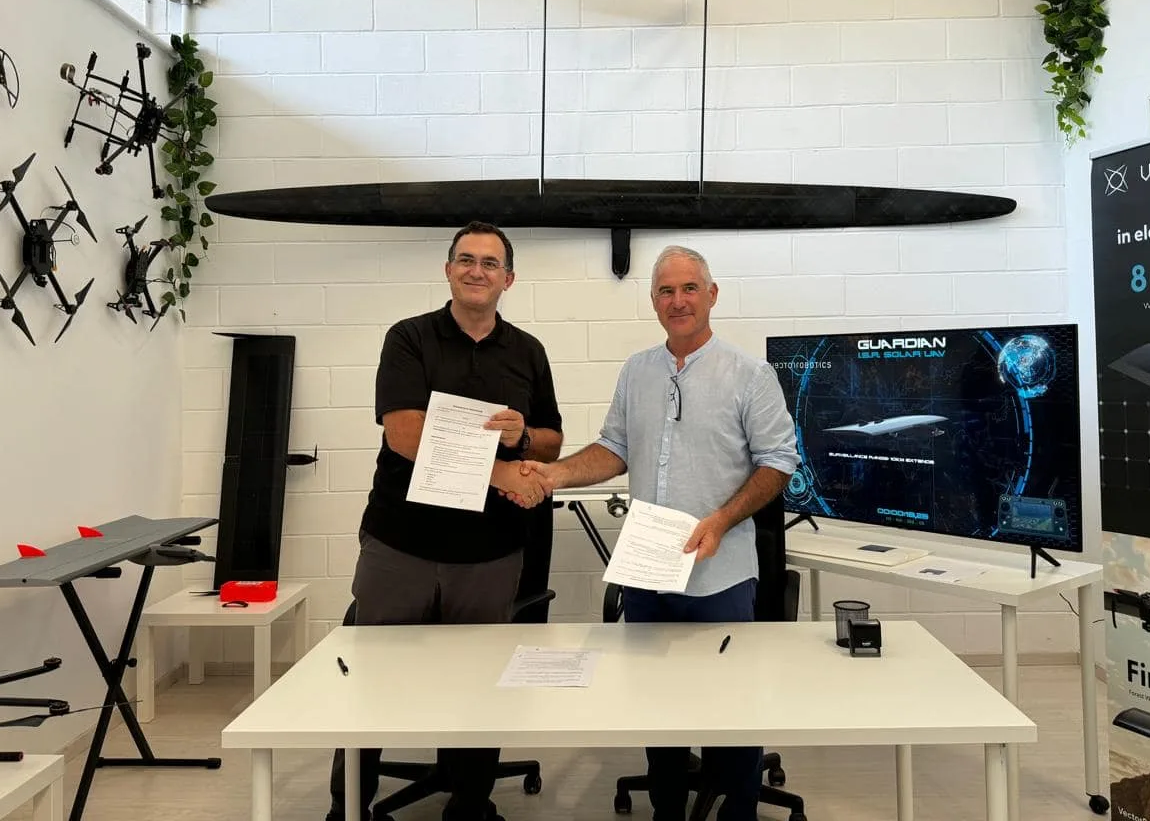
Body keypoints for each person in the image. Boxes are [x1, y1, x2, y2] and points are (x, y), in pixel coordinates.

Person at [511, 245, 799, 821]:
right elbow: (614, 448)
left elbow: (778, 461)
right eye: (666, 291)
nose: (678, 300)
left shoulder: (750, 375)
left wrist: (721, 520)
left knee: (729, 707)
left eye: (689, 288)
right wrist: (555, 474)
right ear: (653, 302)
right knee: (655, 707)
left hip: (719, 574)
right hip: (646, 574)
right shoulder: (638, 370)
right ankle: (667, 808)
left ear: (712, 295)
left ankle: (738, 810)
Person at [325, 220, 564, 821]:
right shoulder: (409, 338)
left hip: (490, 552)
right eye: (466, 259)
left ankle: (470, 804)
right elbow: (405, 435)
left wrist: (523, 435)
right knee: (371, 679)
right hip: (402, 545)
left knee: (479, 684)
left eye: (490, 262)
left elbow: (553, 442)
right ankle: (346, 808)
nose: (477, 270)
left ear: (509, 279)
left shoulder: (528, 351)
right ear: (448, 269)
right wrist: (502, 471)